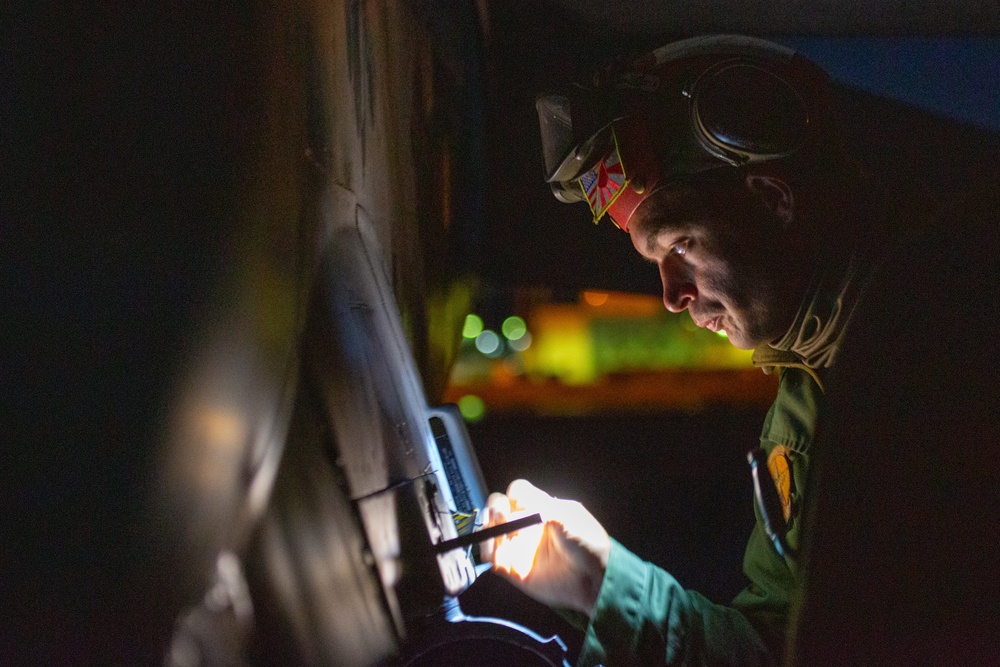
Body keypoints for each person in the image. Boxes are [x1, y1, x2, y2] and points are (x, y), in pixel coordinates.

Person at [481, 35, 1000, 665]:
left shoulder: (948, 362)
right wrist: (600, 585)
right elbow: (782, 646)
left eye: (680, 246)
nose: (670, 295)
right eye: (655, 262)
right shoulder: (812, 386)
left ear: (771, 200)